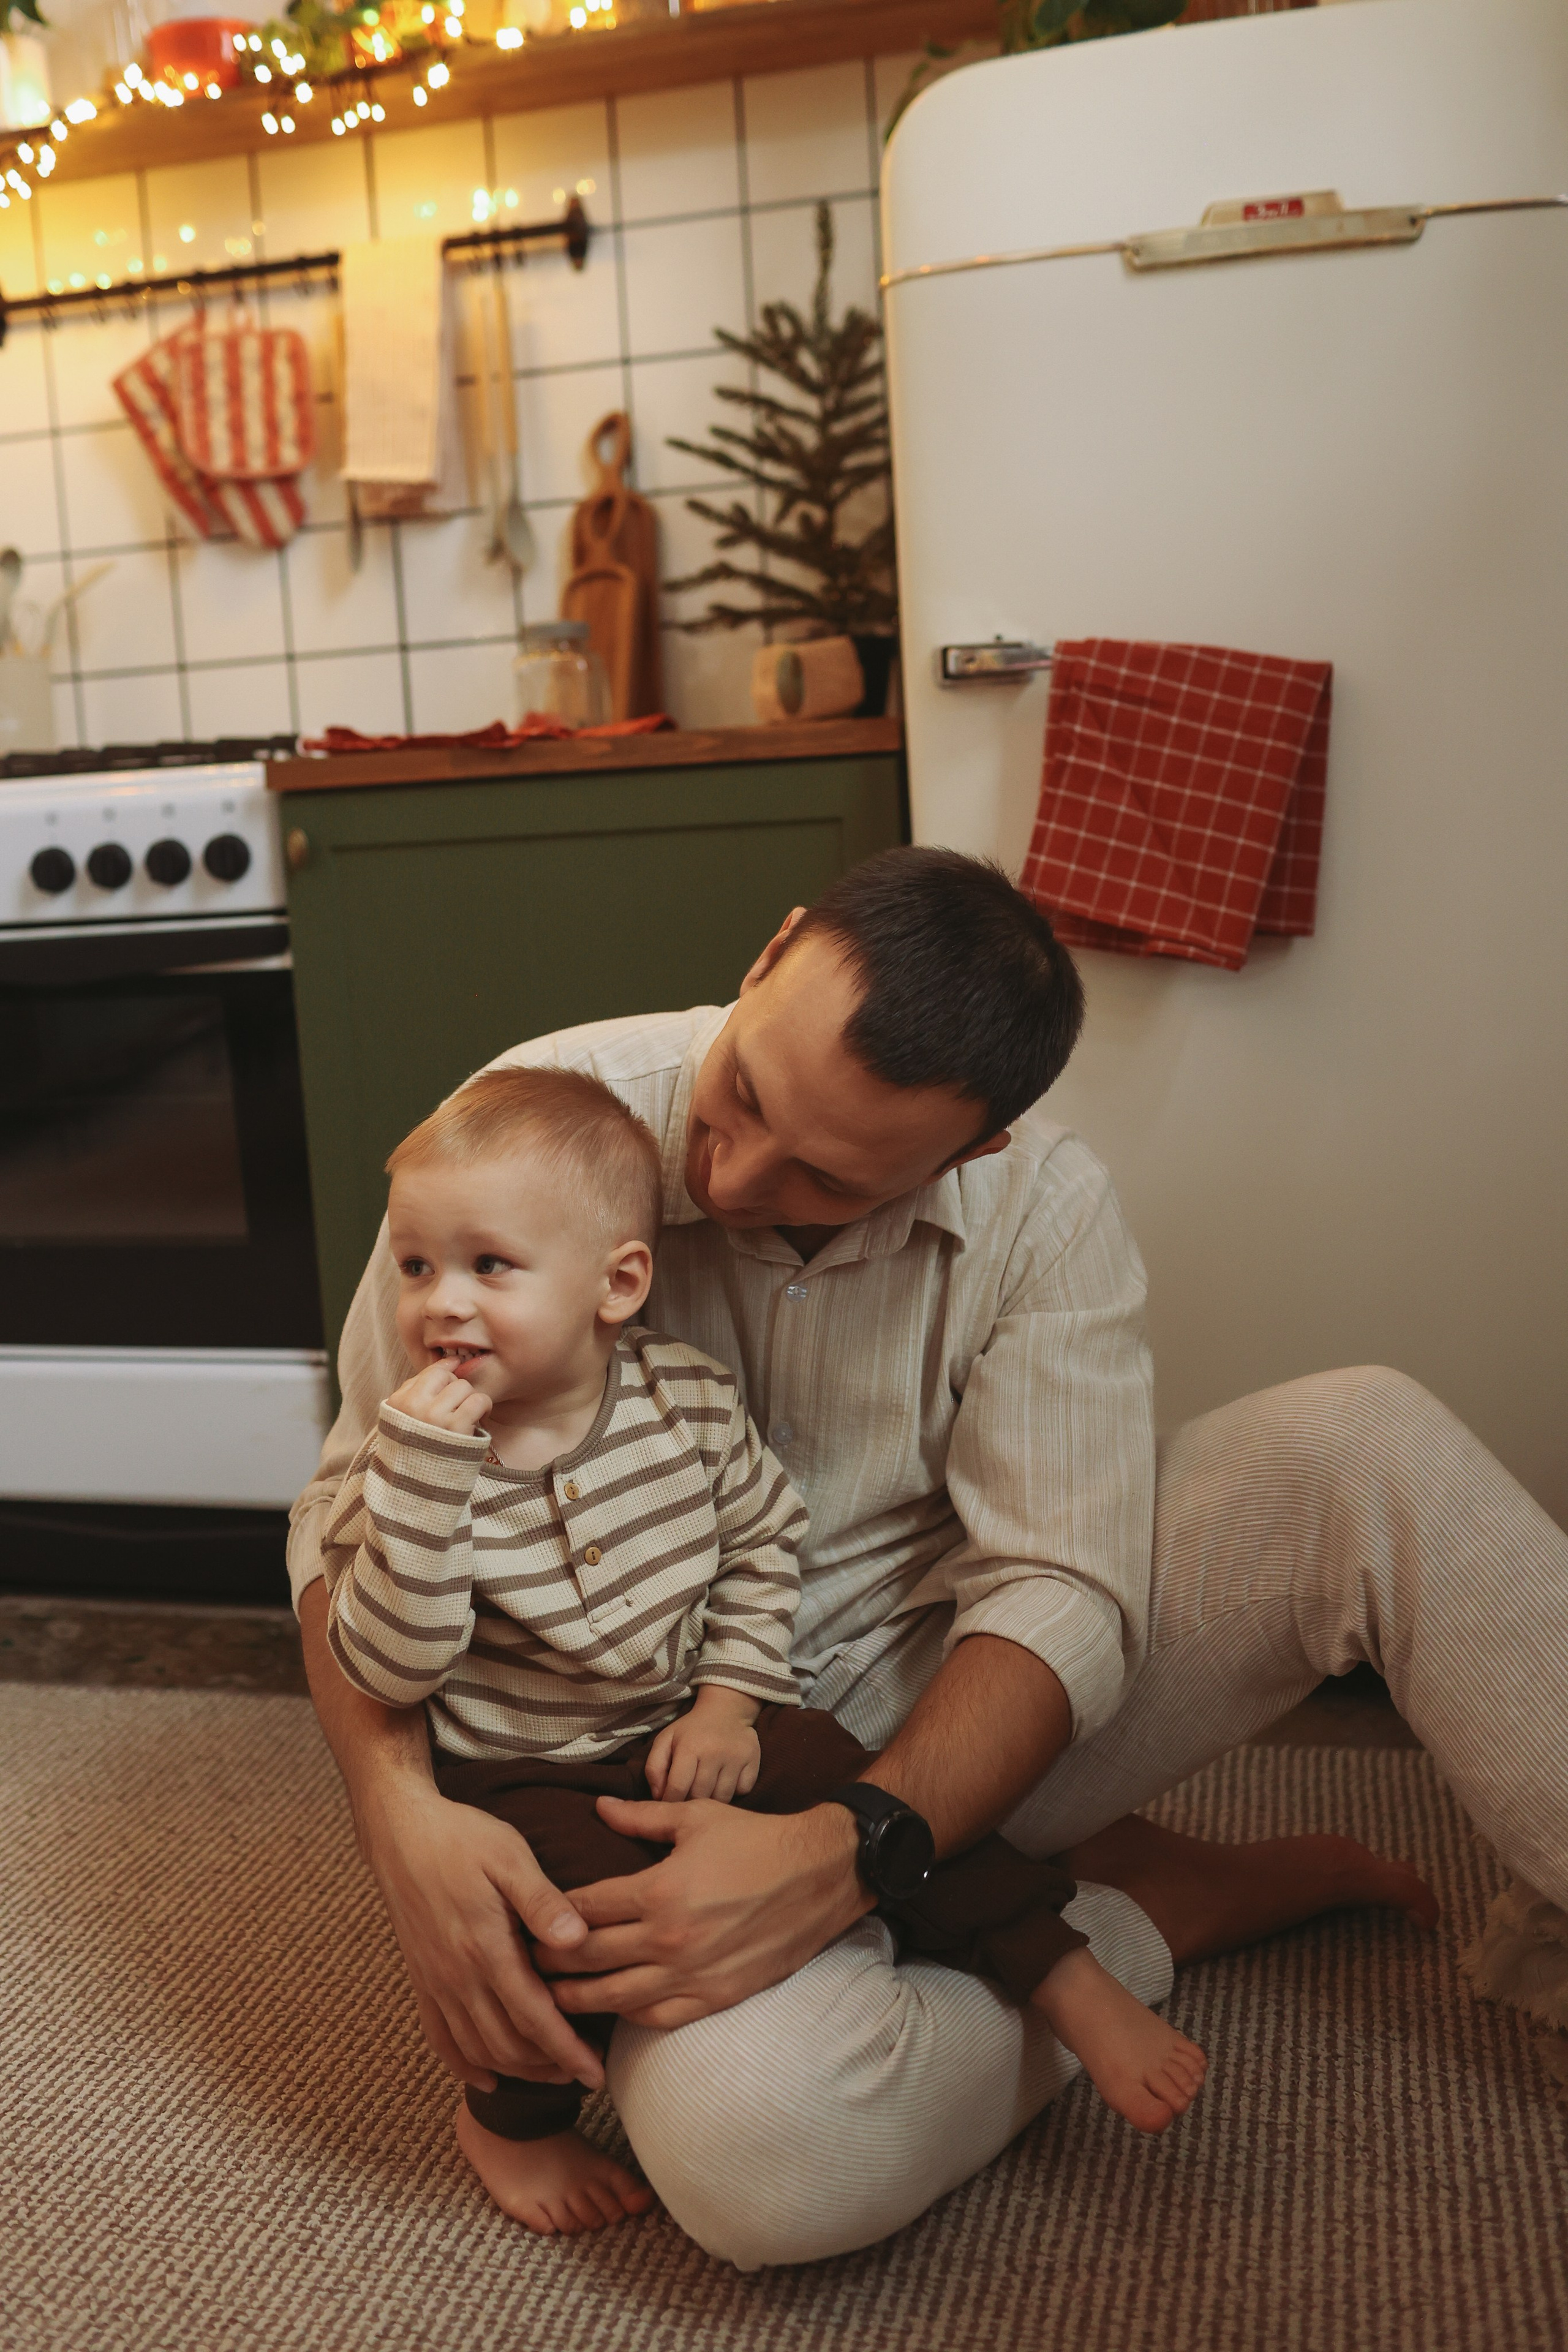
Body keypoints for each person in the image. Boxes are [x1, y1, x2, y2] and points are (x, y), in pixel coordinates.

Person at [289, 848, 1563, 2272]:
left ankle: (1011, 1881)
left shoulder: (1041, 1208)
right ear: (767, 954)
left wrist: (856, 1845)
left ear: (968, 1154)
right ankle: (1140, 1911)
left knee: (1361, 1438)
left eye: (827, 1176)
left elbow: (1058, 1589)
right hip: (638, 1770)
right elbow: (340, 1517)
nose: (728, 1174)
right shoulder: (533, 1132)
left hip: (944, 1703)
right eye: (746, 1097)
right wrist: (400, 1816)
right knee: (768, 2164)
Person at [321, 1065, 1208, 2236]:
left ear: (617, 1283)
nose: (442, 1304)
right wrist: (421, 1496)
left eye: (489, 1267)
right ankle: (509, 2119)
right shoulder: (411, 1466)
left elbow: (760, 1548)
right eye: (419, 1267)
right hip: (522, 1767)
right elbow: (392, 1664)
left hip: (697, 1715)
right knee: (564, 1926)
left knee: (875, 1797)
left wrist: (732, 1702)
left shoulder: (684, 1403)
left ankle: (1058, 1962)